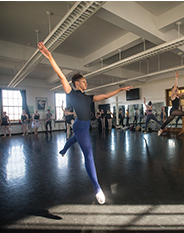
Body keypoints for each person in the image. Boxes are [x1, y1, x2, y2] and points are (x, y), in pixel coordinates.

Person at [38, 41, 133, 204]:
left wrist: (120, 90)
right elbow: (61, 75)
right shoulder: (71, 93)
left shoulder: (88, 97)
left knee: (73, 139)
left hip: (80, 126)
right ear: (76, 83)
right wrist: (50, 56)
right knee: (89, 155)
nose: (86, 83)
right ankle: (97, 189)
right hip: (81, 127)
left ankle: (62, 150)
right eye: (83, 81)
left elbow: (104, 96)